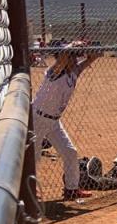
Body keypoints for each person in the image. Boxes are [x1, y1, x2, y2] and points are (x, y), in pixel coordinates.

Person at [31, 41, 99, 200]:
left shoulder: (73, 72)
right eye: (71, 56)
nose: (74, 59)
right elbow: (62, 59)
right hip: (37, 118)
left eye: (74, 56)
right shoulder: (54, 72)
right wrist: (72, 45)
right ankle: (26, 190)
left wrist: (89, 49)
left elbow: (93, 58)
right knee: (33, 156)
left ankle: (71, 189)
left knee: (70, 152)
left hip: (54, 121)